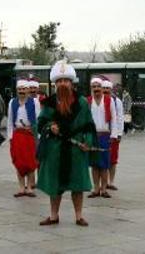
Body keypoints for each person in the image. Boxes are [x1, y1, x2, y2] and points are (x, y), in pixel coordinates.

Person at [37, 61, 97, 227]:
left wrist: (88, 142)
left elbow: (89, 125)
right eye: (60, 81)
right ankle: (54, 215)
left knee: (77, 185)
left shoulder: (82, 102)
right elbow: (41, 123)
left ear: (72, 82)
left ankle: (79, 216)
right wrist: (51, 126)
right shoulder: (49, 103)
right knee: (54, 185)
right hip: (55, 149)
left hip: (75, 149)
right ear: (55, 83)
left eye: (66, 80)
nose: (63, 83)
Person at [85, 77, 118, 198]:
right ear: (91, 88)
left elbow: (114, 118)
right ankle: (96, 188)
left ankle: (104, 189)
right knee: (94, 164)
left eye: (98, 86)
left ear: (101, 87)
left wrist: (114, 134)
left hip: (105, 135)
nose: (96, 89)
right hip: (93, 136)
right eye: (94, 87)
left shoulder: (109, 101)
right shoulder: (87, 101)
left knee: (104, 165)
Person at [9, 80, 39, 197]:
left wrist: (37, 134)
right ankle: (21, 187)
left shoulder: (34, 102)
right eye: (19, 89)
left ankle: (30, 187)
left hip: (29, 135)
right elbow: (10, 120)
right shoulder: (12, 102)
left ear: (28, 90)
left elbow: (38, 118)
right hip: (18, 134)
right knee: (19, 161)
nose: (21, 91)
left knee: (30, 161)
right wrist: (10, 136)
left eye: (23, 89)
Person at [102, 78, 124, 191]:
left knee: (113, 159)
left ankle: (111, 181)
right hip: (101, 133)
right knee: (101, 159)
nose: (105, 90)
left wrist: (119, 133)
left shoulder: (117, 101)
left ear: (111, 89)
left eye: (107, 88)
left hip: (113, 134)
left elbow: (120, 117)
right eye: (104, 88)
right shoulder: (98, 100)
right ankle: (102, 183)